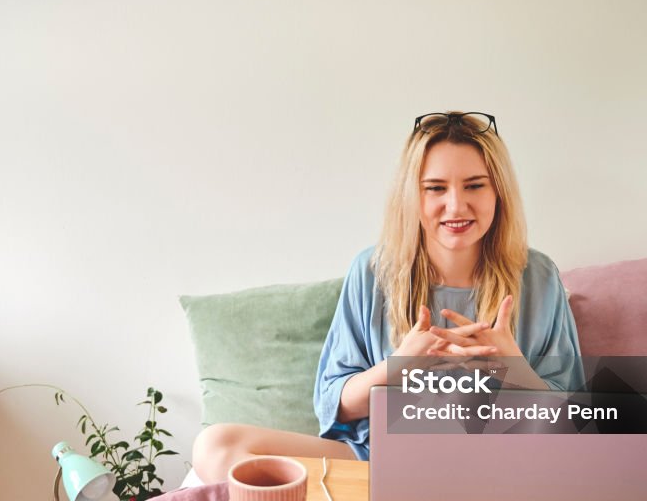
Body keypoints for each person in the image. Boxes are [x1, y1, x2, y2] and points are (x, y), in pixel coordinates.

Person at [191, 111, 582, 482]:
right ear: (413, 196)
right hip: (380, 464)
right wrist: (398, 368)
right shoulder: (372, 271)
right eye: (435, 189)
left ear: (499, 192)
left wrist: (513, 369)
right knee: (216, 445)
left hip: (494, 465)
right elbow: (333, 404)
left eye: (475, 185)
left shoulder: (539, 277)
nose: (456, 205)